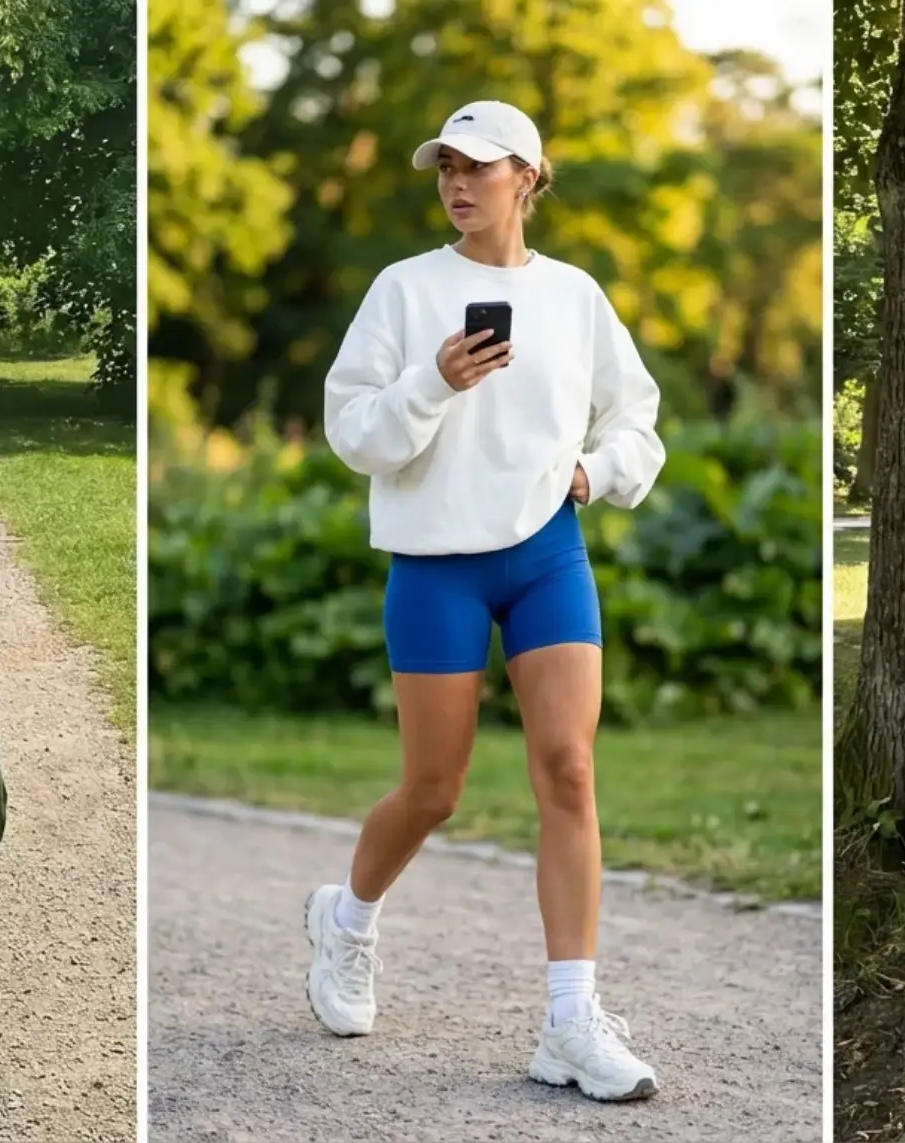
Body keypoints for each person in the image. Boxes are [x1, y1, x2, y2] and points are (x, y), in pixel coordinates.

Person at [304, 99, 668, 1102]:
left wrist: (595, 473)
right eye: (444, 169)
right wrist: (431, 383)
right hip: (434, 563)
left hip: (547, 553)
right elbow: (353, 432)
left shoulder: (575, 297)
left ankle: (568, 1023)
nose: (457, 184)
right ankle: (344, 920)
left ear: (528, 178)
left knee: (568, 767)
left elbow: (635, 417)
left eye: (479, 167)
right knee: (433, 791)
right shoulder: (404, 291)